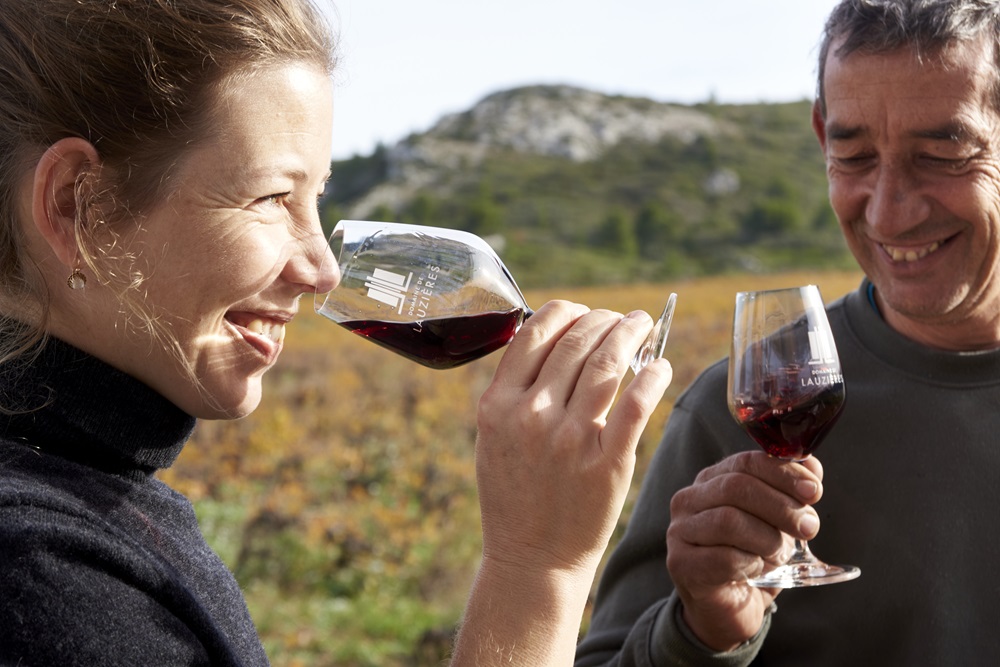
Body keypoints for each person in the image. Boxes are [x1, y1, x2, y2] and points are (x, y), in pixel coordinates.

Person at [0, 1, 673, 665]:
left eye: (316, 198)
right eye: (271, 198)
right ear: (75, 206)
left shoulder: (85, 493)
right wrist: (536, 570)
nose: (322, 270)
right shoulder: (44, 578)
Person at [575, 0, 1000, 665]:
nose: (889, 211)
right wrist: (703, 632)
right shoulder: (732, 413)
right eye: (854, 155)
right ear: (820, 133)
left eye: (942, 154)